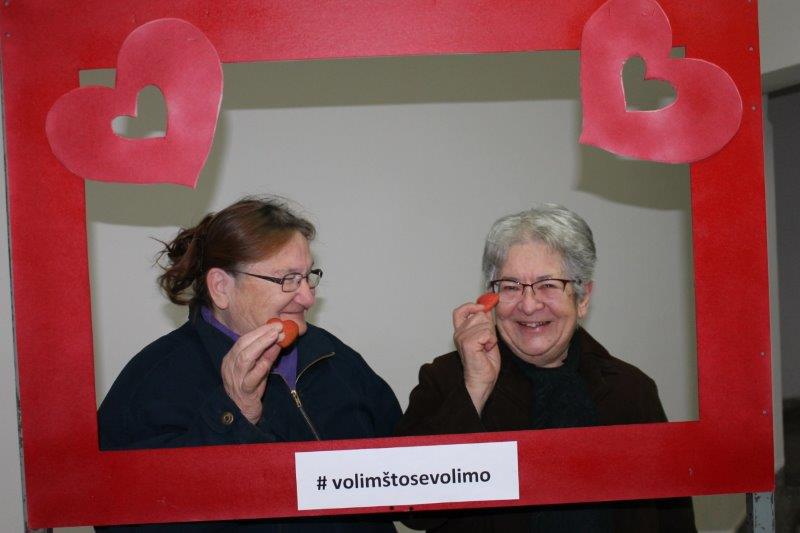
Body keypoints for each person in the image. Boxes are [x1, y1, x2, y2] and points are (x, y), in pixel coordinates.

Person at [97, 196, 401, 532]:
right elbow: (119, 519)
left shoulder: (333, 356)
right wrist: (232, 415)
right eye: (287, 279)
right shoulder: (155, 379)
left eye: (307, 277)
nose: (308, 298)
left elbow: (405, 477)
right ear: (221, 287)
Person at [396, 204, 696, 532]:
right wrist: (475, 388)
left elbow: (674, 522)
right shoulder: (447, 379)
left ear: (582, 298)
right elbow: (412, 510)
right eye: (511, 286)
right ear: (490, 298)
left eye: (548, 285)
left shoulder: (631, 390)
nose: (528, 305)